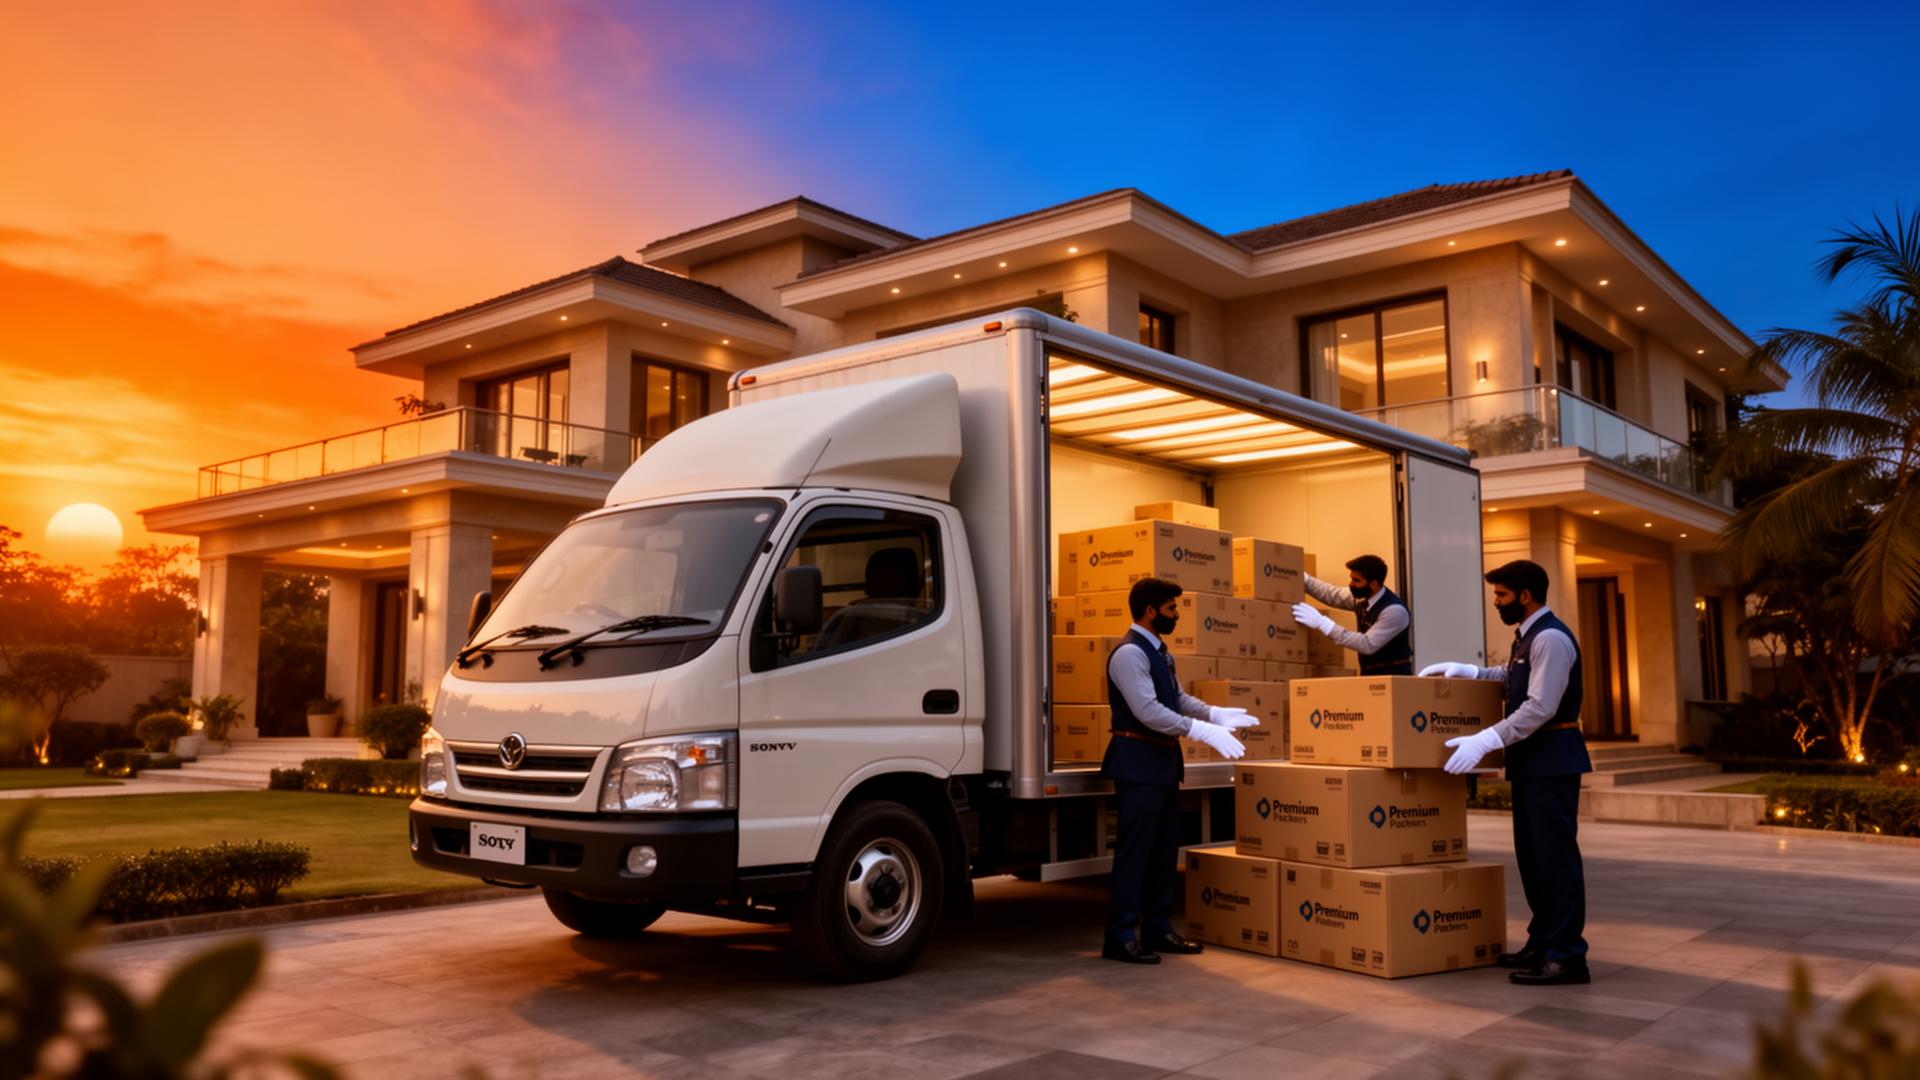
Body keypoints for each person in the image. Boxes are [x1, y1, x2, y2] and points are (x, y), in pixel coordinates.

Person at [1422, 558, 1593, 985]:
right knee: (1533, 859)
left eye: (1501, 595)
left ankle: (1568, 955)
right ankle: (1543, 942)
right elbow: (1510, 677)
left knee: (1555, 860)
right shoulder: (1528, 637)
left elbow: (1540, 706)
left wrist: (1487, 739)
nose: (1496, 603)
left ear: (1525, 595)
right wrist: (1472, 672)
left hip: (1552, 759)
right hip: (1534, 761)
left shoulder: (1550, 638)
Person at [1100, 576, 1258, 965]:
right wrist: (1201, 730)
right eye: (1172, 609)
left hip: (1163, 765)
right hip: (1138, 764)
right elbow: (1148, 711)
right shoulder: (1129, 654)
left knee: (1163, 851)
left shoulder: (1160, 652)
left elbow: (1176, 698)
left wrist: (1213, 712)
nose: (1177, 615)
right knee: (1135, 853)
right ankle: (1120, 936)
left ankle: (1158, 928)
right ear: (1151, 610)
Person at [1288, 554, 1413, 675]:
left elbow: (1367, 644)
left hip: (1394, 676)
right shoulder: (1362, 597)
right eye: (1351, 578)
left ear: (1374, 584)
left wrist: (1323, 623)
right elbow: (1331, 594)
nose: (1351, 584)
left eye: (1356, 580)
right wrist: (1303, 579)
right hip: (1369, 674)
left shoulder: (1394, 611)